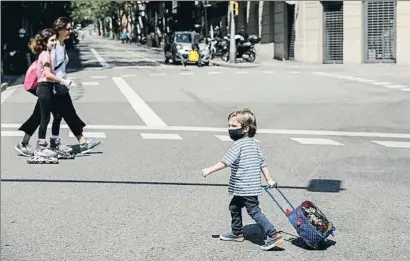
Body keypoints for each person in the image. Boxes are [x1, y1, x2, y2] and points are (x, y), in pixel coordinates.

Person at [15, 17, 101, 156]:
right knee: (62, 113)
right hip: (53, 85)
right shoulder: (53, 49)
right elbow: (48, 70)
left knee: (49, 115)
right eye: (67, 29)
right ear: (60, 29)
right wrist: (60, 82)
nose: (70, 31)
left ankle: (27, 143)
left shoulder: (62, 46)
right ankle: (81, 142)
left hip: (57, 85)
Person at [201, 108, 284, 251]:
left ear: (245, 128)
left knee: (254, 211)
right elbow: (262, 163)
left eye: (233, 126)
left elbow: (226, 161)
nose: (230, 129)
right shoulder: (254, 144)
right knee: (234, 206)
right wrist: (269, 179)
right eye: (229, 126)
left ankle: (273, 234)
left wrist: (210, 169)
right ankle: (237, 233)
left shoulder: (238, 145)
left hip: (244, 187)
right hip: (247, 187)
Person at [32, 28, 72, 157]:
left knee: (58, 115)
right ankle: (40, 147)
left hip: (48, 88)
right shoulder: (45, 54)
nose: (55, 43)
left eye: (55, 40)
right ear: (45, 42)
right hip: (44, 88)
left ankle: (54, 142)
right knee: (45, 118)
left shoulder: (48, 53)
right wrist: (63, 81)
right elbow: (48, 75)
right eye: (52, 40)